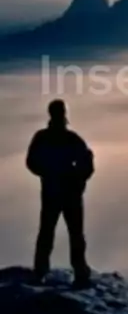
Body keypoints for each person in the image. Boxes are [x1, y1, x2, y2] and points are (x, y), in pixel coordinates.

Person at [26, 99, 94, 288]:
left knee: (65, 233)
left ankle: (69, 271)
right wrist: (53, 173)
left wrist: (77, 179)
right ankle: (47, 271)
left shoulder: (58, 138)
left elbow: (86, 161)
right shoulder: (58, 138)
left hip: (61, 191)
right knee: (55, 232)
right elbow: (32, 162)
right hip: (57, 191)